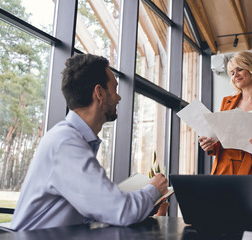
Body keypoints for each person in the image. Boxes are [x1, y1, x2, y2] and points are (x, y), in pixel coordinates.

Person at [10, 54, 168, 231]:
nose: (118, 98)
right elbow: (122, 211)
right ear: (99, 93)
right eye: (114, 89)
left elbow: (99, 211)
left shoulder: (72, 139)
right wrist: (153, 189)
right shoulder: (66, 143)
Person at [199, 51, 252, 201]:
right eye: (231, 72)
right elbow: (221, 139)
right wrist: (210, 145)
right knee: (222, 221)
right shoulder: (227, 102)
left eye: (239, 69)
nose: (235, 75)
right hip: (224, 169)